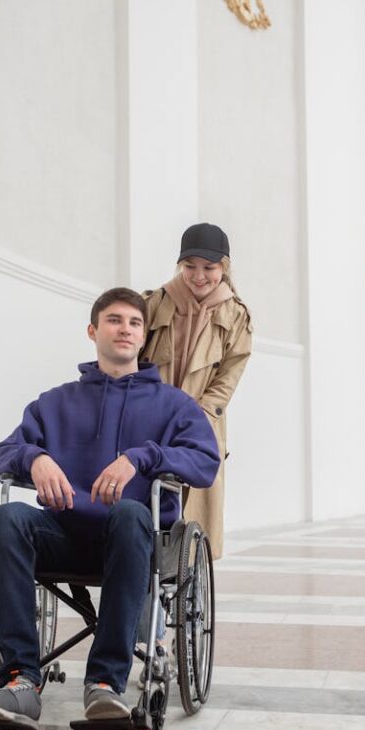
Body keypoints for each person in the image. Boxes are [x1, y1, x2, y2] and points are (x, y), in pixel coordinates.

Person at [0, 287, 220, 730]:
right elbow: (0, 454)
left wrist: (143, 457)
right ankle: (21, 678)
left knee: (131, 513)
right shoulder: (55, 402)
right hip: (64, 536)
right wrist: (34, 458)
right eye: (115, 320)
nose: (125, 330)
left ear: (143, 338)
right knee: (7, 518)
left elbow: (205, 463)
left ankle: (104, 682)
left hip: (133, 542)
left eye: (134, 323)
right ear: (93, 330)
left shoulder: (174, 405)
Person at [141, 223, 252, 558]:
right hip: (149, 421)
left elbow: (226, 382)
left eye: (209, 268)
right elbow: (132, 357)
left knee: (193, 523)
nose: (199, 276)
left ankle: (187, 583)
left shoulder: (236, 316)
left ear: (224, 267)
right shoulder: (156, 303)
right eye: (190, 267)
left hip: (200, 427)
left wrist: (192, 418)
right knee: (143, 511)